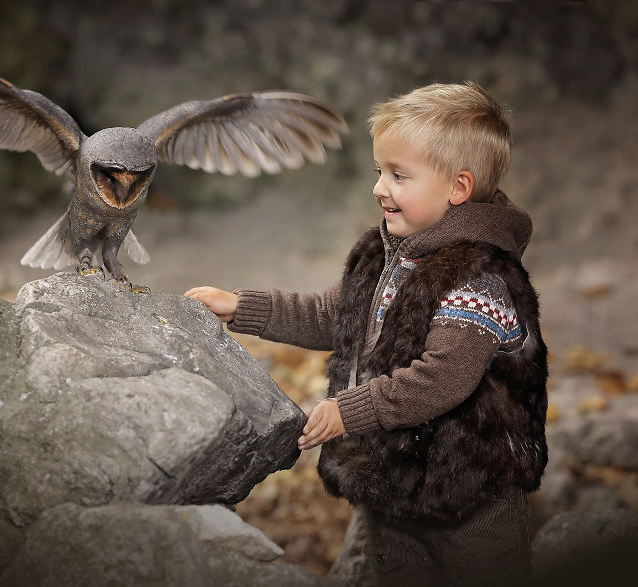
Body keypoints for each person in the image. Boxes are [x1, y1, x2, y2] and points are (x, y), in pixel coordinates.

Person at [185, 81, 548, 586]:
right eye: (380, 171)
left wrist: (349, 410)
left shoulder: (476, 279)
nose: (380, 187)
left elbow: (444, 378)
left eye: (398, 175)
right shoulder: (388, 256)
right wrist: (242, 306)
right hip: (393, 473)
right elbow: (331, 315)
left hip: (472, 486)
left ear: (458, 188)